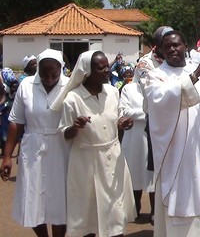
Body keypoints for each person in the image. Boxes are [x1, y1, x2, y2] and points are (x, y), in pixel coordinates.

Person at [144, 30, 200, 237]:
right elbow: (159, 101)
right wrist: (194, 77)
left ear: (185, 45)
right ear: (161, 51)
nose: (173, 49)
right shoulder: (155, 75)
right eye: (167, 46)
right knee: (181, 200)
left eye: (177, 44)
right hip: (175, 153)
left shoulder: (198, 70)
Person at [54, 50, 136, 237]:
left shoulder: (113, 92)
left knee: (116, 211)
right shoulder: (72, 99)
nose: (107, 70)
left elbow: (114, 120)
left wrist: (122, 123)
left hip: (114, 158)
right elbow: (64, 133)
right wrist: (75, 128)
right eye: (101, 68)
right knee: (89, 214)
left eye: (107, 66)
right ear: (87, 72)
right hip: (87, 163)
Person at [1, 49, 70, 237]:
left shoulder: (70, 86)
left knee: (59, 201)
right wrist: (7, 156)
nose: (49, 78)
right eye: (44, 73)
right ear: (37, 68)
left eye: (54, 73)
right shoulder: (26, 85)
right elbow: (15, 122)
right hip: (32, 148)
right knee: (32, 198)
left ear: (61, 69)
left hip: (62, 148)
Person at [118, 69, 154, 222]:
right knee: (134, 172)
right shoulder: (128, 88)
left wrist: (145, 114)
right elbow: (125, 111)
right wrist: (147, 114)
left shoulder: (156, 86)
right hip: (133, 136)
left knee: (153, 174)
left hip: (152, 136)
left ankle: (154, 211)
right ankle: (135, 208)